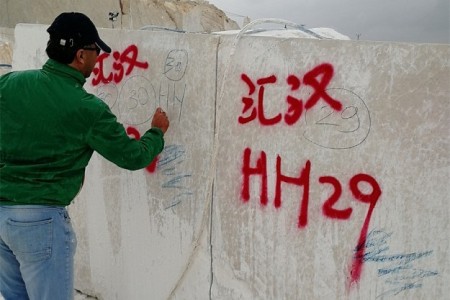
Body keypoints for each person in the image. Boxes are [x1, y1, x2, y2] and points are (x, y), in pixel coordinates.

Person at [0, 12, 169, 300]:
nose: (98, 58)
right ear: (80, 55)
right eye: (95, 51)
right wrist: (156, 133)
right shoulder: (88, 109)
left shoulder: (9, 84)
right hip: (41, 224)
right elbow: (132, 157)